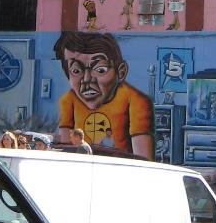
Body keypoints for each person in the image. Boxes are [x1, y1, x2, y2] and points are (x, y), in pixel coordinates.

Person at [53, 31, 153, 159]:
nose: (87, 79)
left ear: (121, 72)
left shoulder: (135, 101)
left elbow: (143, 161)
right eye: (76, 71)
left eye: (100, 70)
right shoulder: (68, 101)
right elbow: (65, 151)